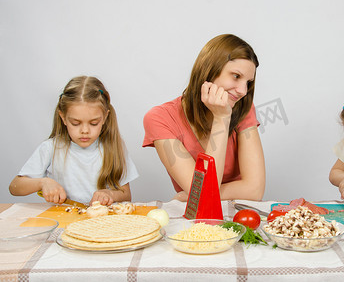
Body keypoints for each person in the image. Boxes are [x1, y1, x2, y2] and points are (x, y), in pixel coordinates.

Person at [143, 34, 265, 202]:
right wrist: (221, 118)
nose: (243, 91)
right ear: (209, 70)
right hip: (198, 219)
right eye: (236, 76)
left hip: (237, 213)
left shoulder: (243, 108)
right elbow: (205, 193)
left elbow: (255, 191)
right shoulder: (160, 119)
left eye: (248, 82)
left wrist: (195, 194)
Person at [9, 76, 138, 206]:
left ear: (105, 117)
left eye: (94, 123)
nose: (85, 130)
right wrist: (42, 183)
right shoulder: (50, 148)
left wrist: (109, 194)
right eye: (75, 123)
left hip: (102, 222)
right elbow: (14, 187)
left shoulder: (114, 147)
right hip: (64, 220)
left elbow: (126, 194)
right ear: (63, 118)